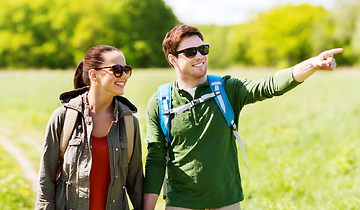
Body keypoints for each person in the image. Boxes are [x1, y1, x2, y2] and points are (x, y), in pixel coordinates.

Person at [143, 25, 343, 210]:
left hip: (226, 200)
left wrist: (312, 64)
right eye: (190, 52)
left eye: (203, 49)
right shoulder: (160, 102)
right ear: (173, 59)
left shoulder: (226, 89)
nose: (200, 56)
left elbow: (268, 85)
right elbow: (156, 159)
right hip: (181, 202)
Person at [35, 45, 143, 210]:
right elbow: (46, 179)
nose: (124, 76)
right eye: (117, 69)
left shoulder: (129, 123)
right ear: (94, 74)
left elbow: (135, 184)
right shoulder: (63, 117)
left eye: (126, 69)